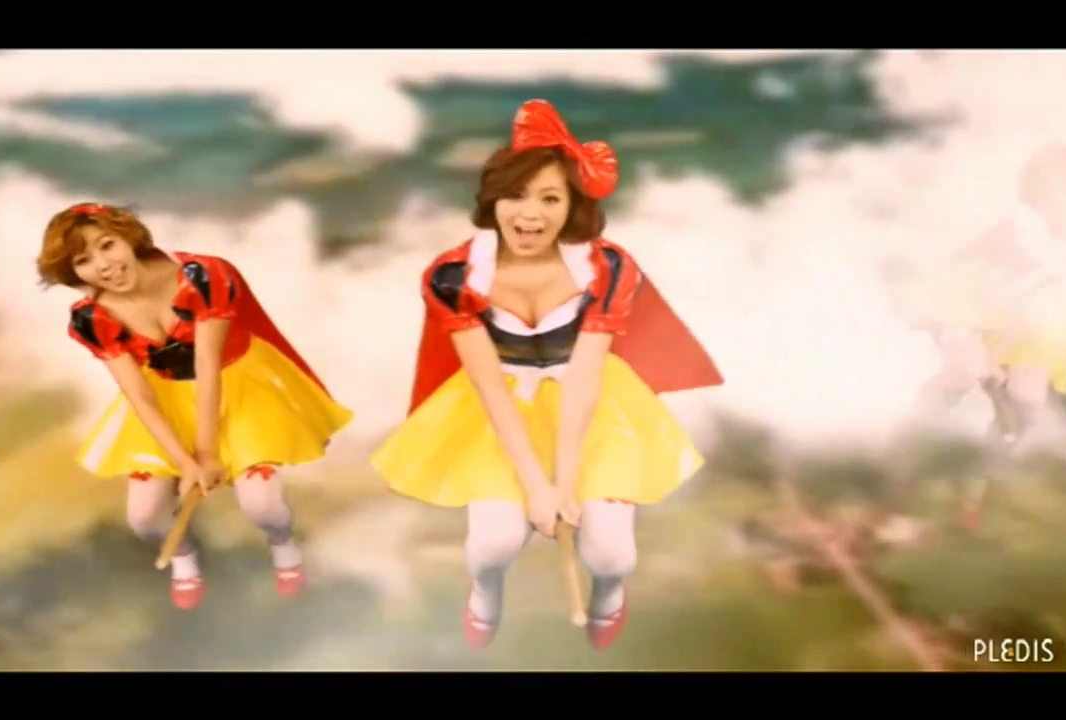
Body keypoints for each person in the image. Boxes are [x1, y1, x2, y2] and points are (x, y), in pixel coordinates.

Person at [371, 99, 723, 651]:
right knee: (491, 547)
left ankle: (609, 595)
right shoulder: (452, 276)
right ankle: (485, 593)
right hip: (500, 408)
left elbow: (585, 377)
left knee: (611, 553)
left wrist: (564, 481)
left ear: (573, 206)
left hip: (593, 406)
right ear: (493, 200)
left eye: (550, 198)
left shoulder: (607, 268)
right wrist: (537, 488)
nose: (529, 214)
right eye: (515, 195)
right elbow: (487, 383)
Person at [38, 203, 354, 610]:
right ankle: (184, 557)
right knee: (145, 517)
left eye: (107, 245)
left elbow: (208, 365)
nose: (104, 265)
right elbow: (139, 395)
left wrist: (206, 453)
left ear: (128, 237)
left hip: (237, 382)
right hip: (167, 398)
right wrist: (183, 462)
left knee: (261, 504)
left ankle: (283, 544)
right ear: (73, 273)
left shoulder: (203, 277)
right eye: (83, 261)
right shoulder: (91, 318)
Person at [891, 144, 1066, 526]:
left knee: (1027, 402)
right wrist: (972, 338)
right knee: (965, 374)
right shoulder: (1013, 236)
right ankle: (912, 445)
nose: (1058, 208)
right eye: (1045, 199)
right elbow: (956, 285)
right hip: (975, 309)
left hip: (1039, 323)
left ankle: (981, 487)